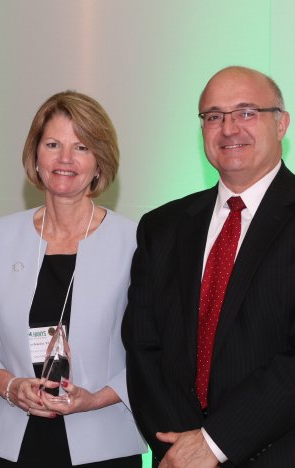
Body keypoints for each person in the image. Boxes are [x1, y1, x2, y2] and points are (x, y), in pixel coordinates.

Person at [0, 90, 147, 467]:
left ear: (99, 162)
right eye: (53, 144)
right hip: (8, 444)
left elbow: (151, 352)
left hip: (103, 442)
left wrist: (95, 398)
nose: (65, 159)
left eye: (81, 147)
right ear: (36, 157)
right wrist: (11, 388)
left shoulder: (135, 242)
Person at [122, 65, 295, 467]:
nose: (229, 128)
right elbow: (143, 348)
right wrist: (178, 447)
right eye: (213, 116)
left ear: (281, 123)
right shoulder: (161, 226)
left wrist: (214, 443)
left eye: (247, 112)